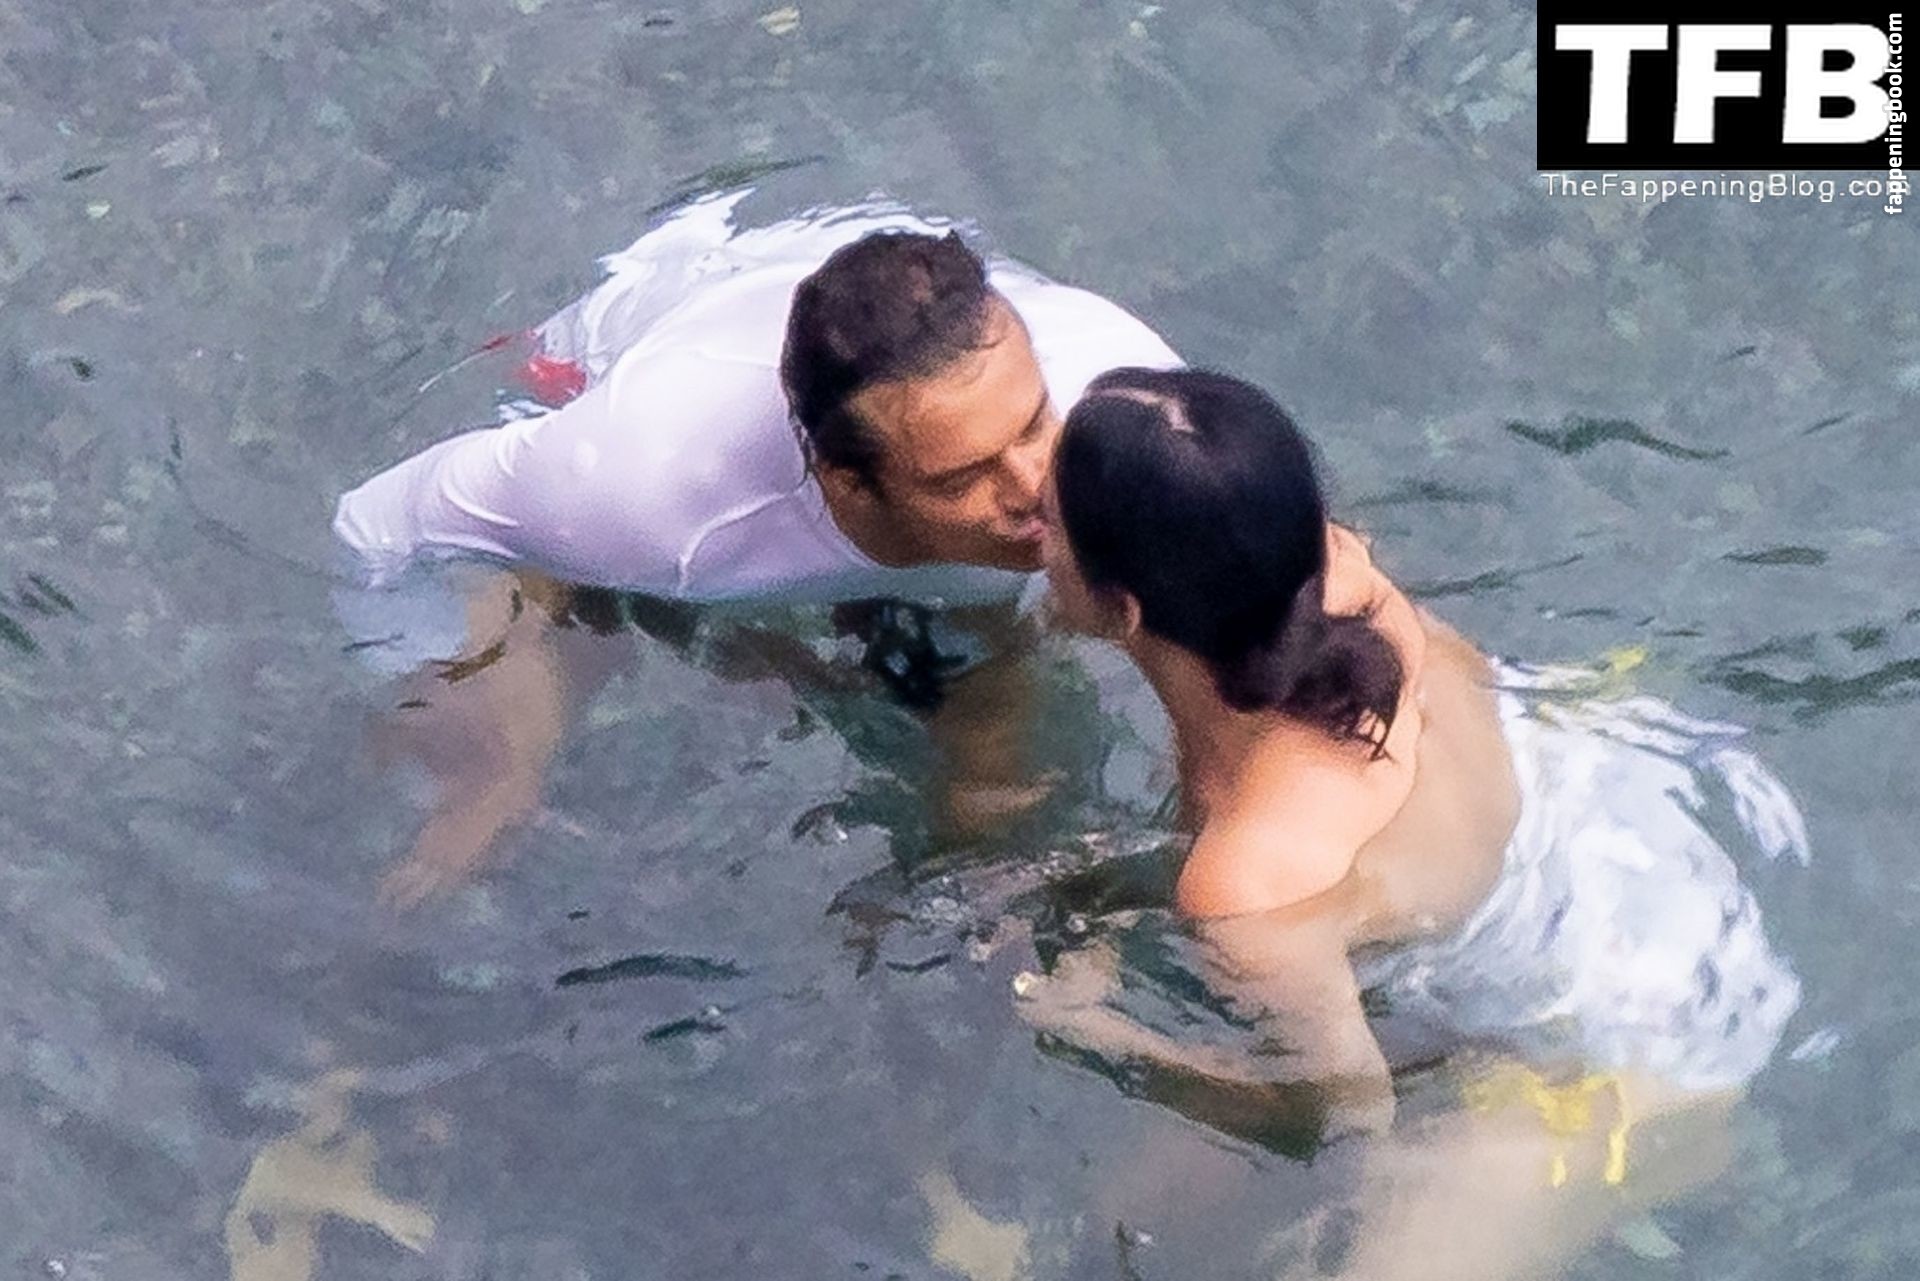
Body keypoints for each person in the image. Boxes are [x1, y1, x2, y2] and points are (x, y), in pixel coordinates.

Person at [1017, 367, 1807, 1279]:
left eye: (1048, 522)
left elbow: (1339, 1110)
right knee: (1129, 1213)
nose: (1028, 525)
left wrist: (1099, 1033)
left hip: (1635, 1046)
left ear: (1124, 608)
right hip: (1635, 838)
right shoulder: (1347, 584)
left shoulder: (1251, 875)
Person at [332, 194, 1181, 905]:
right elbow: (374, 527)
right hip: (649, 334)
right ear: (845, 484)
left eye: (1034, 424)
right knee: (575, 630)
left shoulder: (1127, 406)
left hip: (863, 280)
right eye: (965, 476)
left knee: (995, 799)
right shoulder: (648, 494)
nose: (1037, 487)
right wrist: (453, 690)